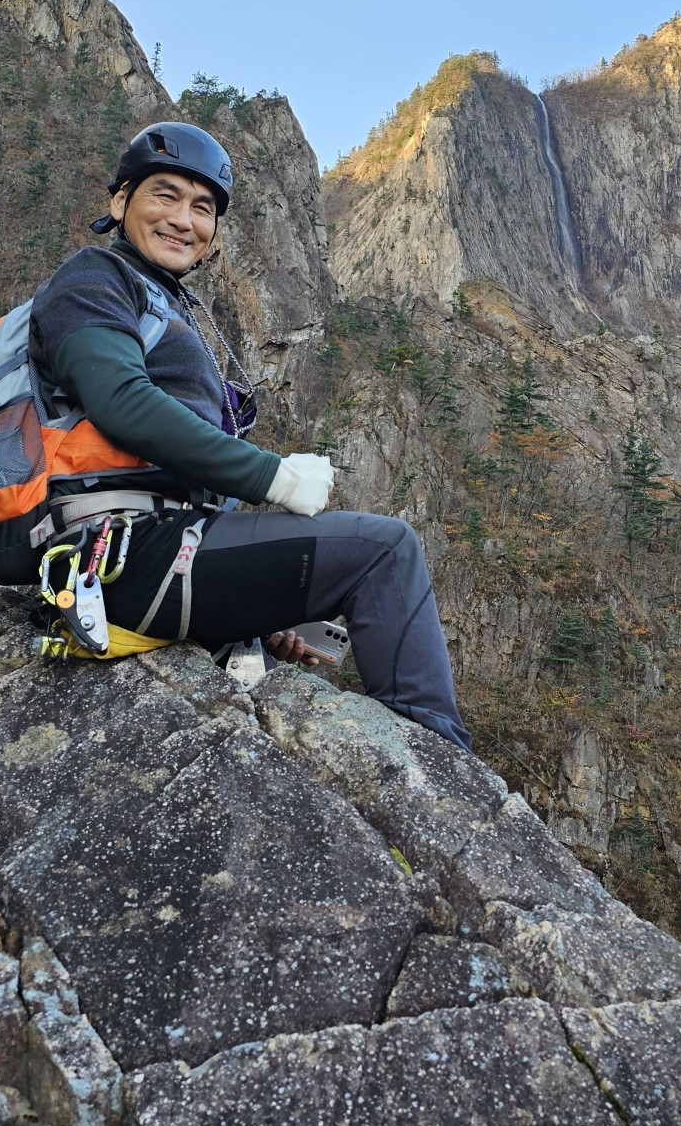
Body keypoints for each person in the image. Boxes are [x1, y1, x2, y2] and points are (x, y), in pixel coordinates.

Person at [27, 121, 471, 751]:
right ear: (120, 201)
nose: (184, 219)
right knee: (384, 551)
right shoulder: (94, 280)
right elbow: (119, 400)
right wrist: (276, 476)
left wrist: (258, 616)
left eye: (203, 207)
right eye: (165, 195)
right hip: (123, 555)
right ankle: (439, 767)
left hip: (158, 549)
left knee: (358, 567)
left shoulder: (160, 301)